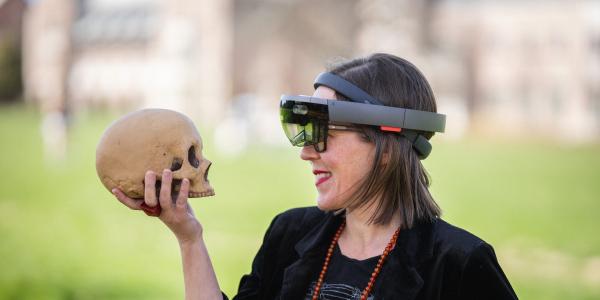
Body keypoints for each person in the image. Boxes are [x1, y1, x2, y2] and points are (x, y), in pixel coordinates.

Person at [113, 53, 518, 300]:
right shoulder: (290, 236)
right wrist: (188, 237)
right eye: (305, 134)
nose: (307, 151)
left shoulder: (459, 265)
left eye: (325, 134)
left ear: (386, 146)